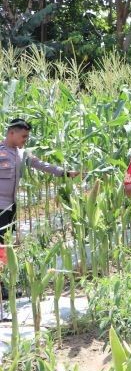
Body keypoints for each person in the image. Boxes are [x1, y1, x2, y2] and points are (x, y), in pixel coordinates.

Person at [0, 118, 79, 290]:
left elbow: (40, 164)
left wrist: (64, 173)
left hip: (10, 207)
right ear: (11, 133)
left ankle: (4, 284)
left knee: (5, 246)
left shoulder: (22, 154)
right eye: (23, 136)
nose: (25, 140)